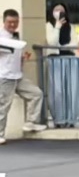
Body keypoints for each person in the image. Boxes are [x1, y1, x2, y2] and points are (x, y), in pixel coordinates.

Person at [0, 9, 47, 143]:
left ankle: (30, 122)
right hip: (5, 76)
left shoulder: (16, 37)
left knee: (36, 94)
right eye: (10, 22)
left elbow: (14, 56)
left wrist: (22, 57)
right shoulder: (1, 37)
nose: (13, 25)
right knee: (3, 106)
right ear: (4, 22)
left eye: (15, 22)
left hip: (17, 75)